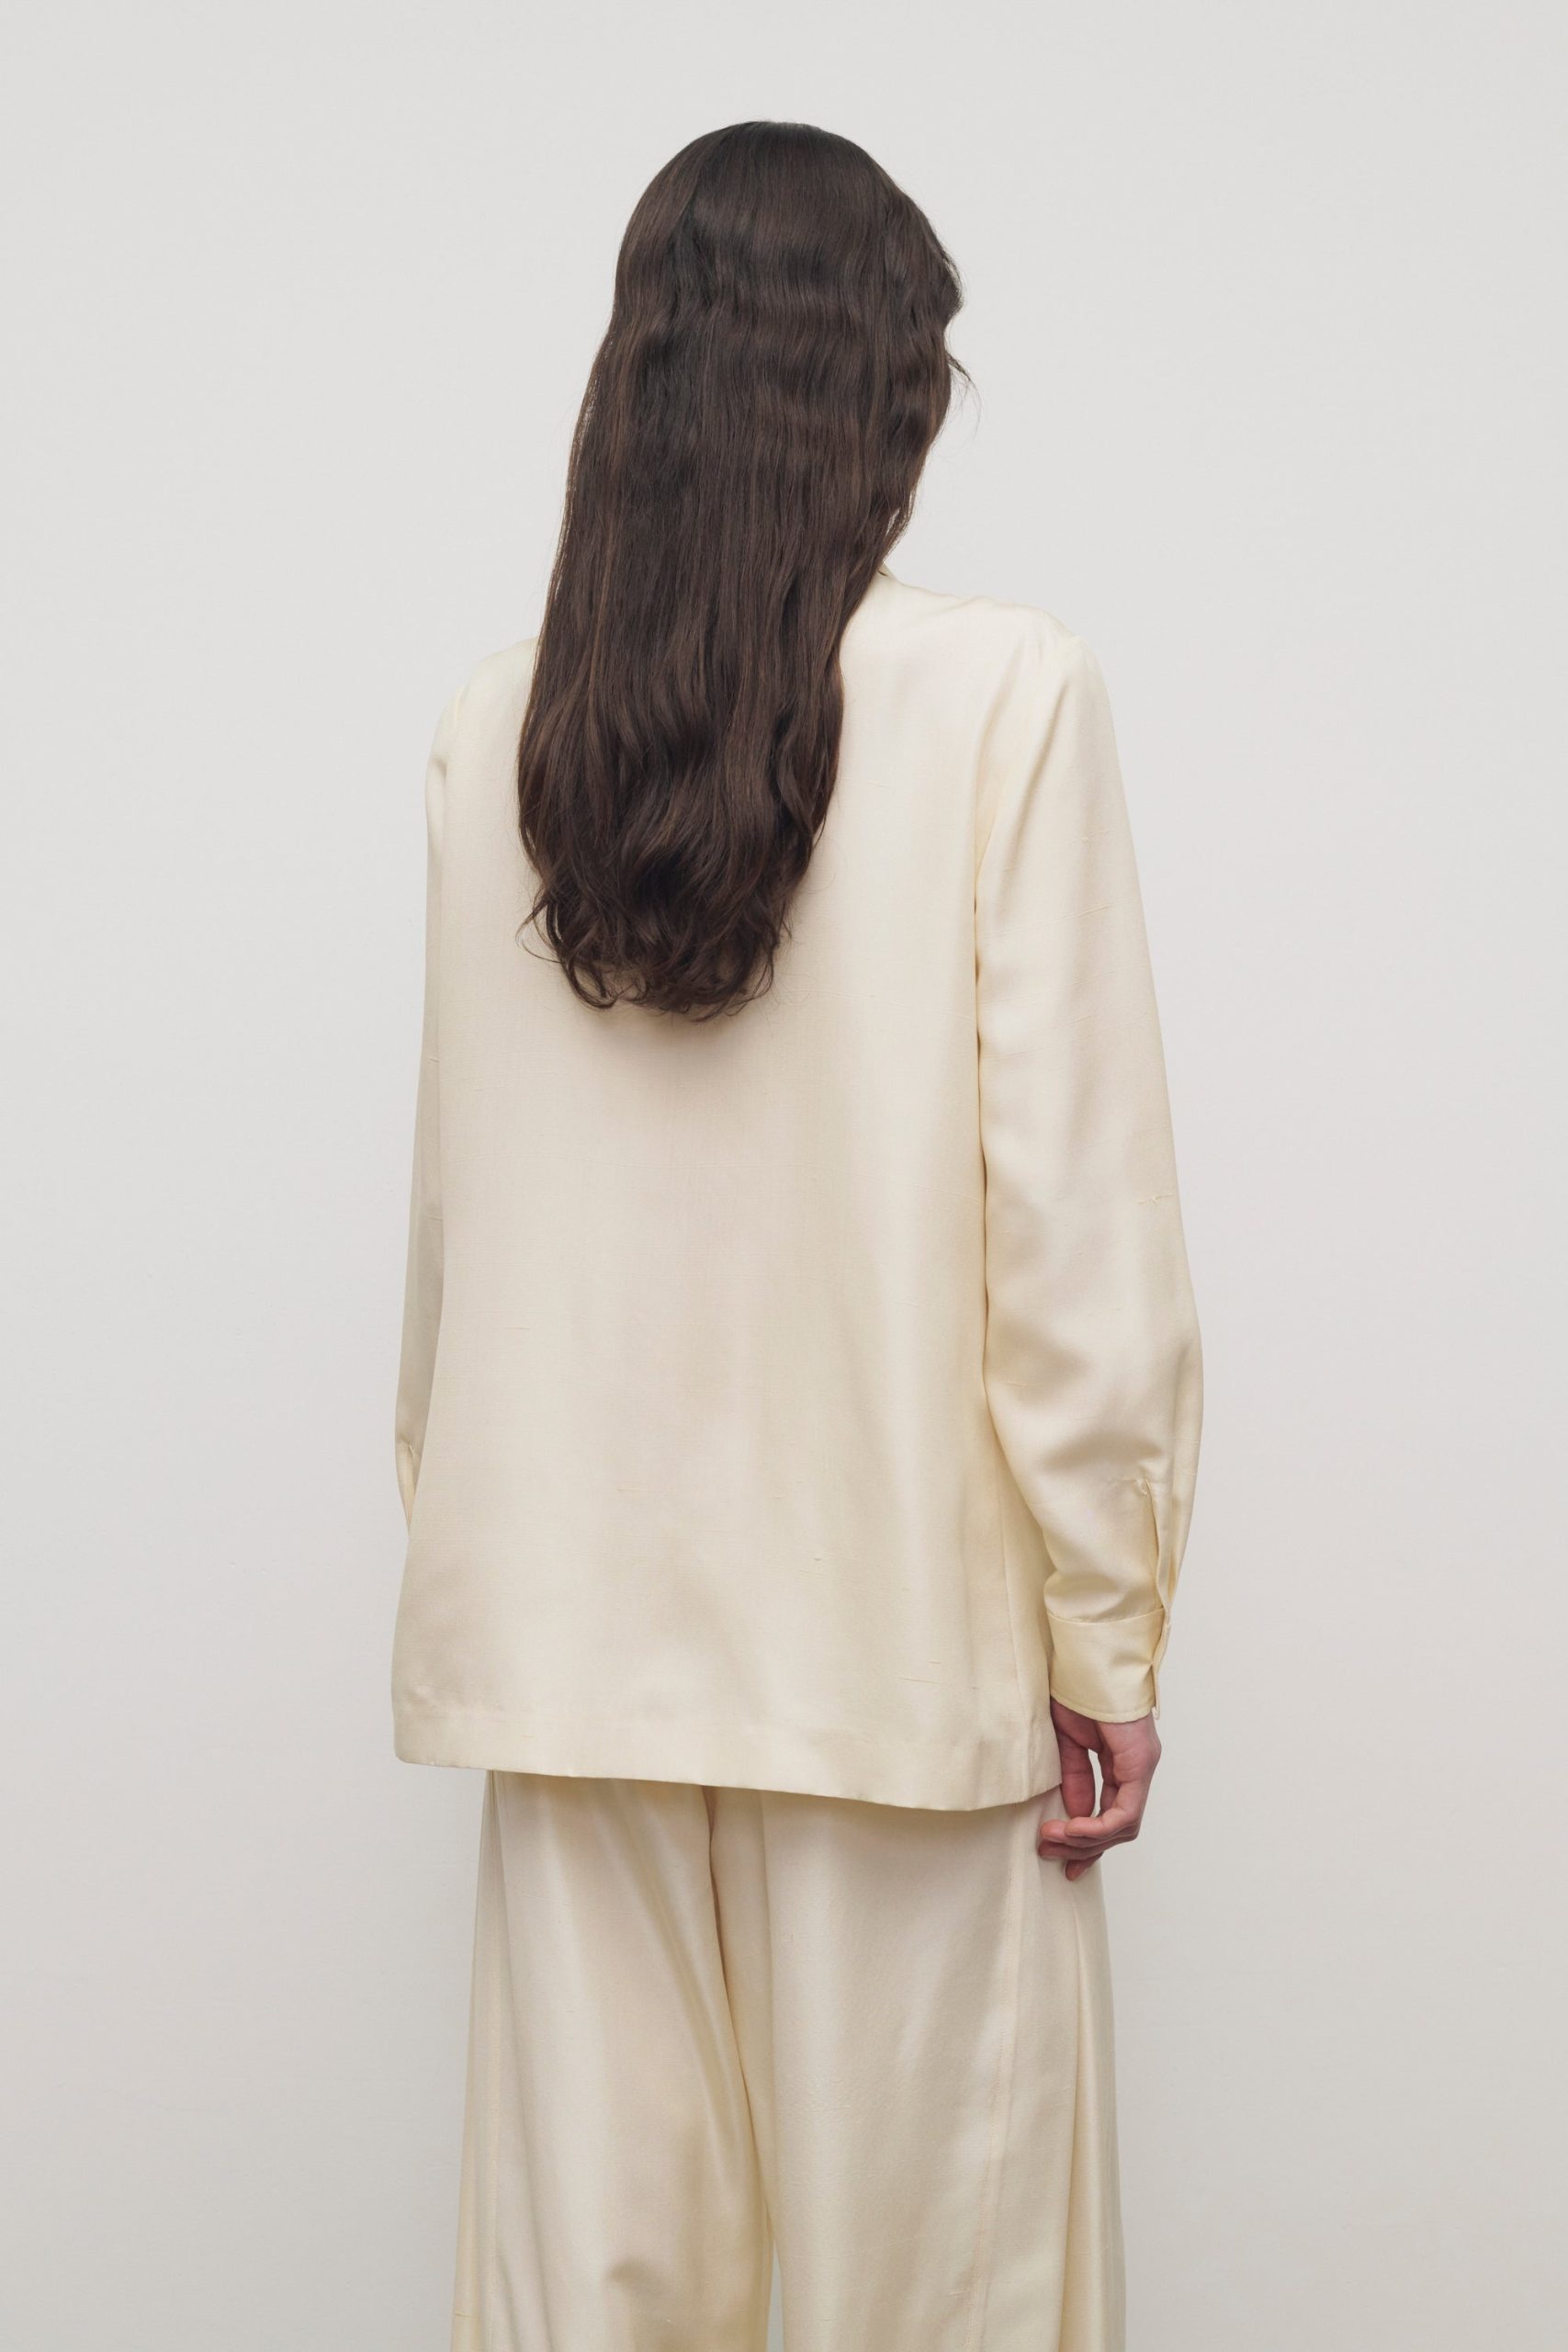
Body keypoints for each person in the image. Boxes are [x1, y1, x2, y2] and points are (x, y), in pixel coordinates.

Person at [391, 119, 1201, 2352]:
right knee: (940, 2299)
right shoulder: (1005, 692)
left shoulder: (497, 731)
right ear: (882, 393)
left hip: (567, 1636)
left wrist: (486, 1561)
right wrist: (1104, 1626)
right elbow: (1073, 1224)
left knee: (584, 2303)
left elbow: (456, 1224)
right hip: (896, 1646)